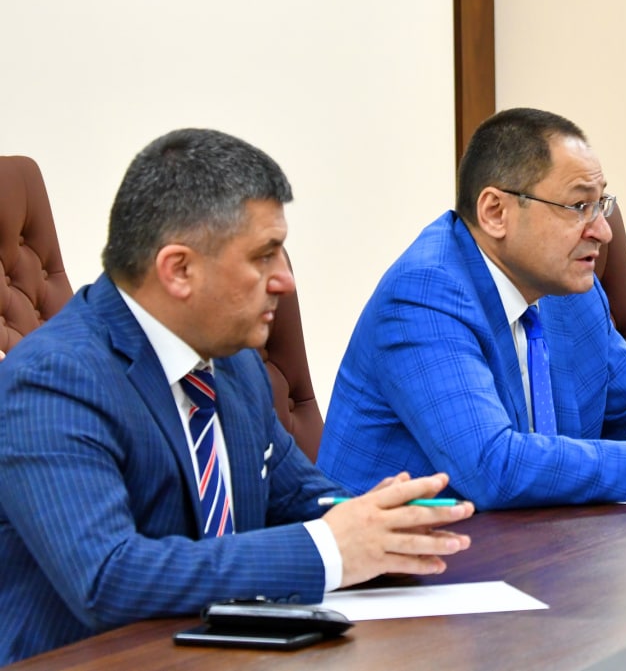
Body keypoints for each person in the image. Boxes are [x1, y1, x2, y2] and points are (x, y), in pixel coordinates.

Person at [0, 129, 474, 664]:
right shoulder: (51, 380)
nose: (285, 280)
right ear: (178, 270)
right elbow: (107, 577)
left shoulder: (233, 363)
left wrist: (379, 520)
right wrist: (330, 548)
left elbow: (299, 499)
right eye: (264, 256)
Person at [318, 108, 626, 510]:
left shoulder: (570, 289)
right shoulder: (425, 295)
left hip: (533, 546)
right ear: (495, 212)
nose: (603, 231)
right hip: (402, 562)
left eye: (601, 204)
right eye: (579, 206)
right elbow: (494, 467)